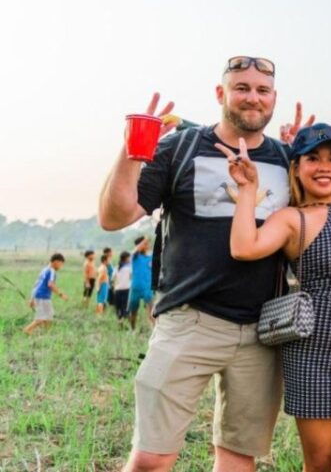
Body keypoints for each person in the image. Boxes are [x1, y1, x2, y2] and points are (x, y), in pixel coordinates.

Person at [98, 56, 289, 472]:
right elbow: (115, 217)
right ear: (221, 94)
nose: (252, 98)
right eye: (241, 88)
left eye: (262, 90)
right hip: (189, 320)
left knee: (238, 459)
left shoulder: (286, 159)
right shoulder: (179, 147)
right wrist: (133, 149)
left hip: (262, 331)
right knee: (151, 458)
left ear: (273, 99)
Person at [218, 124, 331, 472]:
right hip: (313, 356)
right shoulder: (293, 219)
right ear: (297, 167)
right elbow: (243, 247)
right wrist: (247, 189)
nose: (325, 167)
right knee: (321, 462)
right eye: (313, 158)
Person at [24, 253, 68, 334]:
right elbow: (51, 284)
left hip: (40, 296)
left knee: (49, 316)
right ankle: (27, 330)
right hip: (43, 297)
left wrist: (32, 299)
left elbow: (36, 285)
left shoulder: (44, 270)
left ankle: (47, 334)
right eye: (61, 264)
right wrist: (61, 294)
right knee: (41, 318)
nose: (61, 267)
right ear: (56, 262)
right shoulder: (52, 271)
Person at [127, 236, 155, 331]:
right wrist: (144, 240)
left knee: (151, 311)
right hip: (135, 288)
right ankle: (132, 329)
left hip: (147, 288)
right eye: (145, 244)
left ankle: (153, 330)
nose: (148, 245)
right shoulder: (135, 256)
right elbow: (135, 250)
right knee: (133, 311)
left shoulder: (151, 257)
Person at [113, 251, 132, 326]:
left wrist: (114, 288)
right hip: (126, 290)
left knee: (118, 307)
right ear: (126, 258)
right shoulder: (129, 268)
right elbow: (131, 278)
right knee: (125, 307)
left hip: (117, 290)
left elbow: (113, 279)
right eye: (129, 257)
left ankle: (120, 321)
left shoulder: (116, 267)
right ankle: (124, 322)